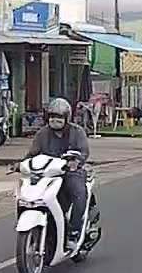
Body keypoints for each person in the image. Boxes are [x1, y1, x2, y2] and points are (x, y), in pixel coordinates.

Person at [20, 98, 90, 251]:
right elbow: (32, 154)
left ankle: (73, 232)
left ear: (67, 118)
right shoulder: (42, 134)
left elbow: (84, 152)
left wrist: (76, 162)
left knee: (79, 193)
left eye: (59, 117)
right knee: (29, 196)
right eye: (52, 116)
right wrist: (20, 164)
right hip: (48, 175)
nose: (55, 120)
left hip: (71, 173)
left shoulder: (77, 132)